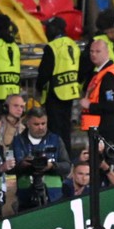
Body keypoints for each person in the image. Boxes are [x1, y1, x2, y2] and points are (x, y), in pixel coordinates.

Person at [36, 16, 81, 144]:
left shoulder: (52, 46)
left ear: (55, 29)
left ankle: (58, 159)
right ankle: (66, 158)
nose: (46, 31)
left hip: (55, 93)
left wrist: (39, 87)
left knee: (55, 130)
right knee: (66, 129)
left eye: (48, 28)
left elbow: (44, 72)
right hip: (70, 92)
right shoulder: (74, 44)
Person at [81, 37, 114, 144]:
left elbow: (111, 105)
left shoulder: (109, 75)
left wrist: (89, 106)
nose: (93, 54)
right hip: (99, 126)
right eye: (91, 51)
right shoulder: (100, 72)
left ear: (107, 52)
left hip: (105, 127)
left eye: (98, 51)